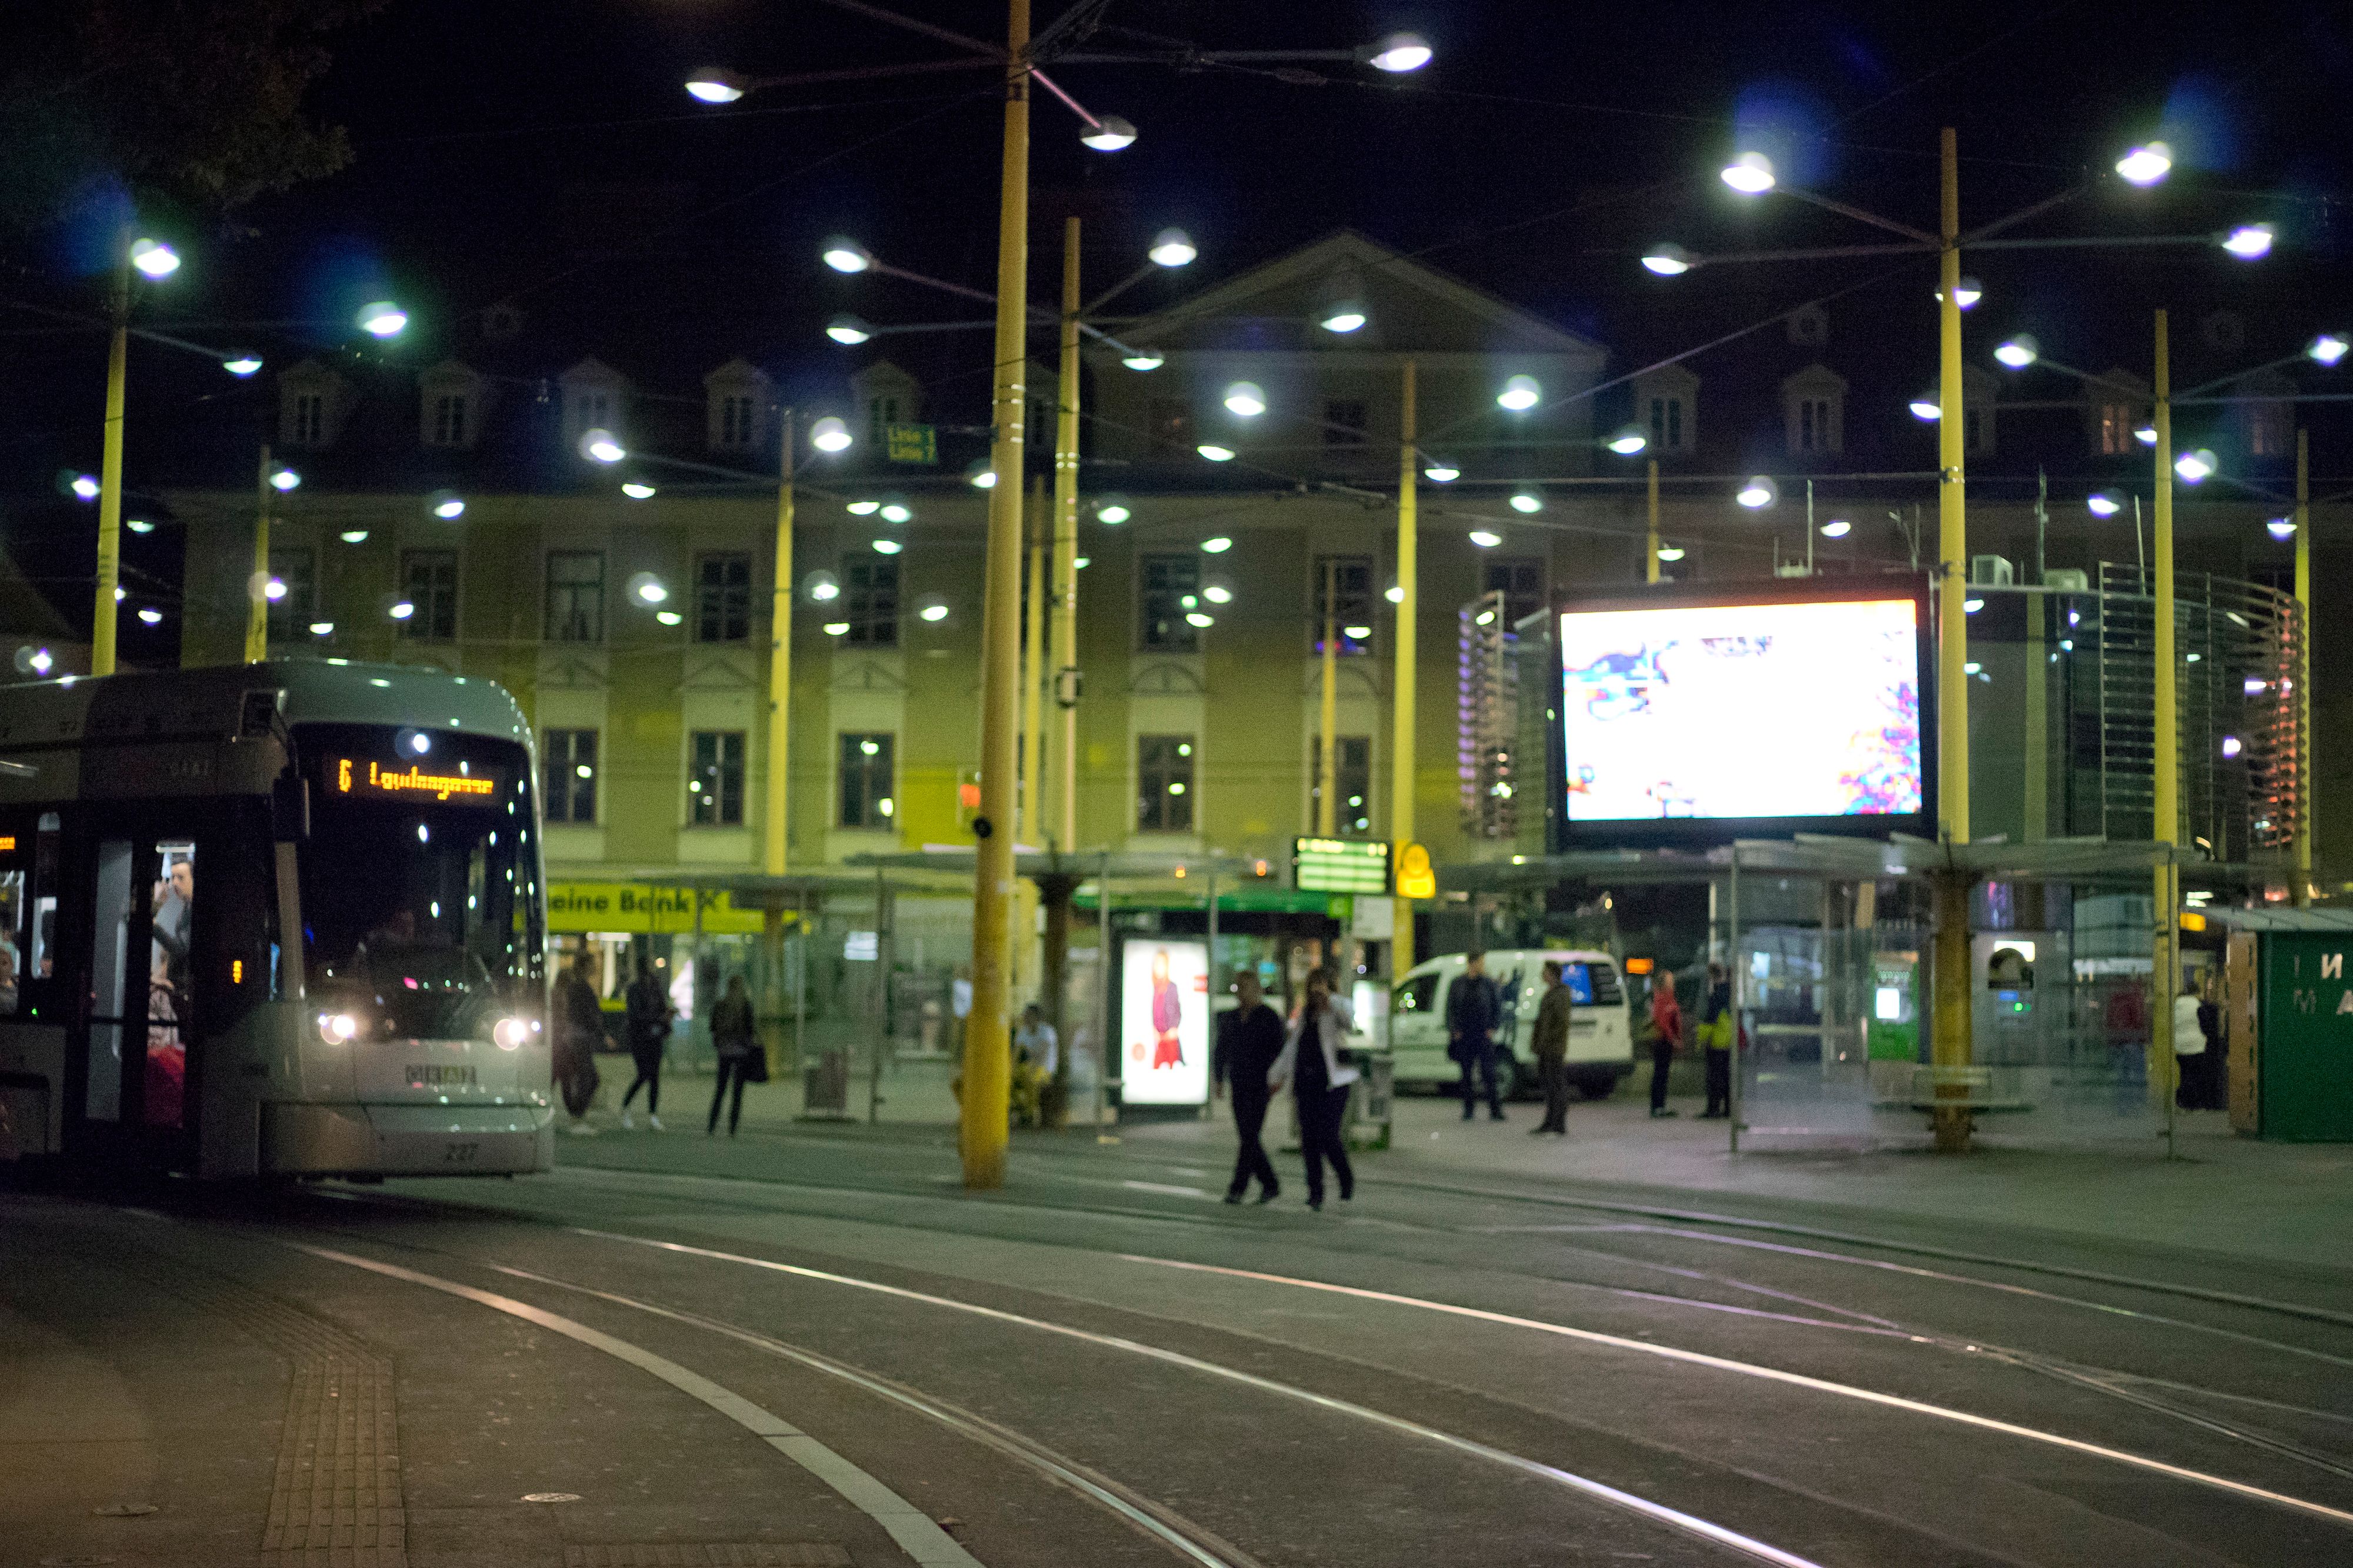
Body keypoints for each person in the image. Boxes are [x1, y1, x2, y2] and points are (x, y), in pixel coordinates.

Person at [1269, 969, 1357, 1210]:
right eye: (1313, 986)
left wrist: (1331, 1001)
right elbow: (1293, 1048)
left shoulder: (1339, 1007)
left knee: (1329, 1135)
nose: (1316, 991)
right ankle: (1315, 1192)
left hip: (1335, 1082)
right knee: (1309, 1141)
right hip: (1307, 1084)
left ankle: (1345, 1177)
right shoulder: (1306, 1014)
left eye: (1321, 985)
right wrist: (1275, 1076)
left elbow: (1350, 1023)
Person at [1212, 973, 1285, 1202]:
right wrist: (1219, 1078)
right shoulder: (1231, 1018)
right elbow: (1221, 1049)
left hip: (1260, 1084)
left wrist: (1278, 1078)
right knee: (1247, 1135)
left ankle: (1238, 1188)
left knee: (1250, 1135)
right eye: (1239, 988)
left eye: (1245, 988)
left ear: (1256, 990)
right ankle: (1270, 1183)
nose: (1241, 993)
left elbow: (1280, 1052)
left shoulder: (1269, 1017)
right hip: (1238, 1082)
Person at [1447, 951, 1505, 1122]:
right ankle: (1468, 1109)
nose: (1482, 966)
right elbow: (1451, 1008)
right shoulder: (1458, 983)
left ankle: (1495, 1109)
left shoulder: (1488, 983)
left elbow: (1496, 1005)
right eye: (1480, 962)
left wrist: (1493, 1027)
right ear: (1472, 963)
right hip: (1464, 1035)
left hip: (1483, 1034)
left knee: (1488, 1072)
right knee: (1466, 1074)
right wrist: (1455, 1030)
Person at [553, 952, 604, 1132]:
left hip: (579, 1036)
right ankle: (577, 1116)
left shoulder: (579, 986)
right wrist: (600, 1031)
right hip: (579, 1037)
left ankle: (577, 1113)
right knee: (587, 1077)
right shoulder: (579, 987)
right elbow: (585, 1014)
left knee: (585, 1077)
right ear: (585, 966)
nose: (595, 967)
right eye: (592, 964)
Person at [621, 961, 673, 1129]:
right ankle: (626, 1106)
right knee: (644, 1074)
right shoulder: (635, 989)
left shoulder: (656, 989)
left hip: (654, 1037)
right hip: (640, 1038)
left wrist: (666, 1017)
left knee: (655, 1078)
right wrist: (659, 1019)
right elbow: (636, 1015)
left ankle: (653, 1114)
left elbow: (661, 1008)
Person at [707, 974, 758, 1136]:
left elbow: (712, 1026)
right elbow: (751, 1029)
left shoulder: (721, 1004)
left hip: (724, 1051)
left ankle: (712, 1125)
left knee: (720, 1089)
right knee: (737, 1092)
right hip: (741, 1052)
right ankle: (732, 1128)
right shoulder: (745, 1005)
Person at [1529, 959, 1574, 1136]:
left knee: (1556, 1084)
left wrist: (1547, 1041)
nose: (1542, 974)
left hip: (1553, 1048)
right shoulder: (1552, 993)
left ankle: (1559, 1123)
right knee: (1549, 1085)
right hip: (1546, 1047)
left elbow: (1560, 1023)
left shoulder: (1561, 995)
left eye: (1545, 971)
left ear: (1552, 974)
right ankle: (1549, 1122)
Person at [2174, 975, 2217, 1112]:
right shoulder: (2197, 1005)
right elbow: (2206, 1026)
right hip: (2196, 1046)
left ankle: (2184, 1103)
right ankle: (2194, 1104)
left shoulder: (2177, 1003)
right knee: (2197, 1076)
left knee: (2185, 1075)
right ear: (2197, 992)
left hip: (2180, 1046)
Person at [1698, 962, 1735, 1120]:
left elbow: (1709, 1021)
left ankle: (1713, 1109)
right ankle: (1728, 1109)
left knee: (1714, 1078)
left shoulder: (1716, 996)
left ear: (1713, 977)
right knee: (1726, 1077)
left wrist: (1701, 1040)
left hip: (1716, 1041)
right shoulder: (1731, 995)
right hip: (1728, 1041)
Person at [1012, 1002, 1058, 1126]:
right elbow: (1015, 1056)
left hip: (1045, 1070)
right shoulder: (1023, 1032)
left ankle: (1030, 1113)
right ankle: (1024, 1110)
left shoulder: (1047, 1032)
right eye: (1025, 1015)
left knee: (1030, 1079)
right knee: (1012, 1080)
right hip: (1028, 1068)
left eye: (1028, 1015)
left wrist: (1029, 1053)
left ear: (1037, 1017)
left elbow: (1042, 1057)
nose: (1025, 1018)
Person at [1648, 970, 1683, 1119]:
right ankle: (1658, 1107)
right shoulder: (1662, 998)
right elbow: (1663, 1021)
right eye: (1670, 980)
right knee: (1660, 1074)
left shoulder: (1669, 998)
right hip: (1663, 1041)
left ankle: (1660, 1105)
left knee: (1662, 1073)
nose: (1673, 983)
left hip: (1666, 1040)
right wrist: (1672, 1038)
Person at [1149, 948, 1186, 1069]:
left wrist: (1174, 1028)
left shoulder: (1172, 987)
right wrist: (1155, 1030)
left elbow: (1177, 1010)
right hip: (1160, 1039)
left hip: (1170, 1040)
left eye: (1161, 964)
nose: (1158, 967)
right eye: (1156, 964)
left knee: (1172, 1068)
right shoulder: (1155, 988)